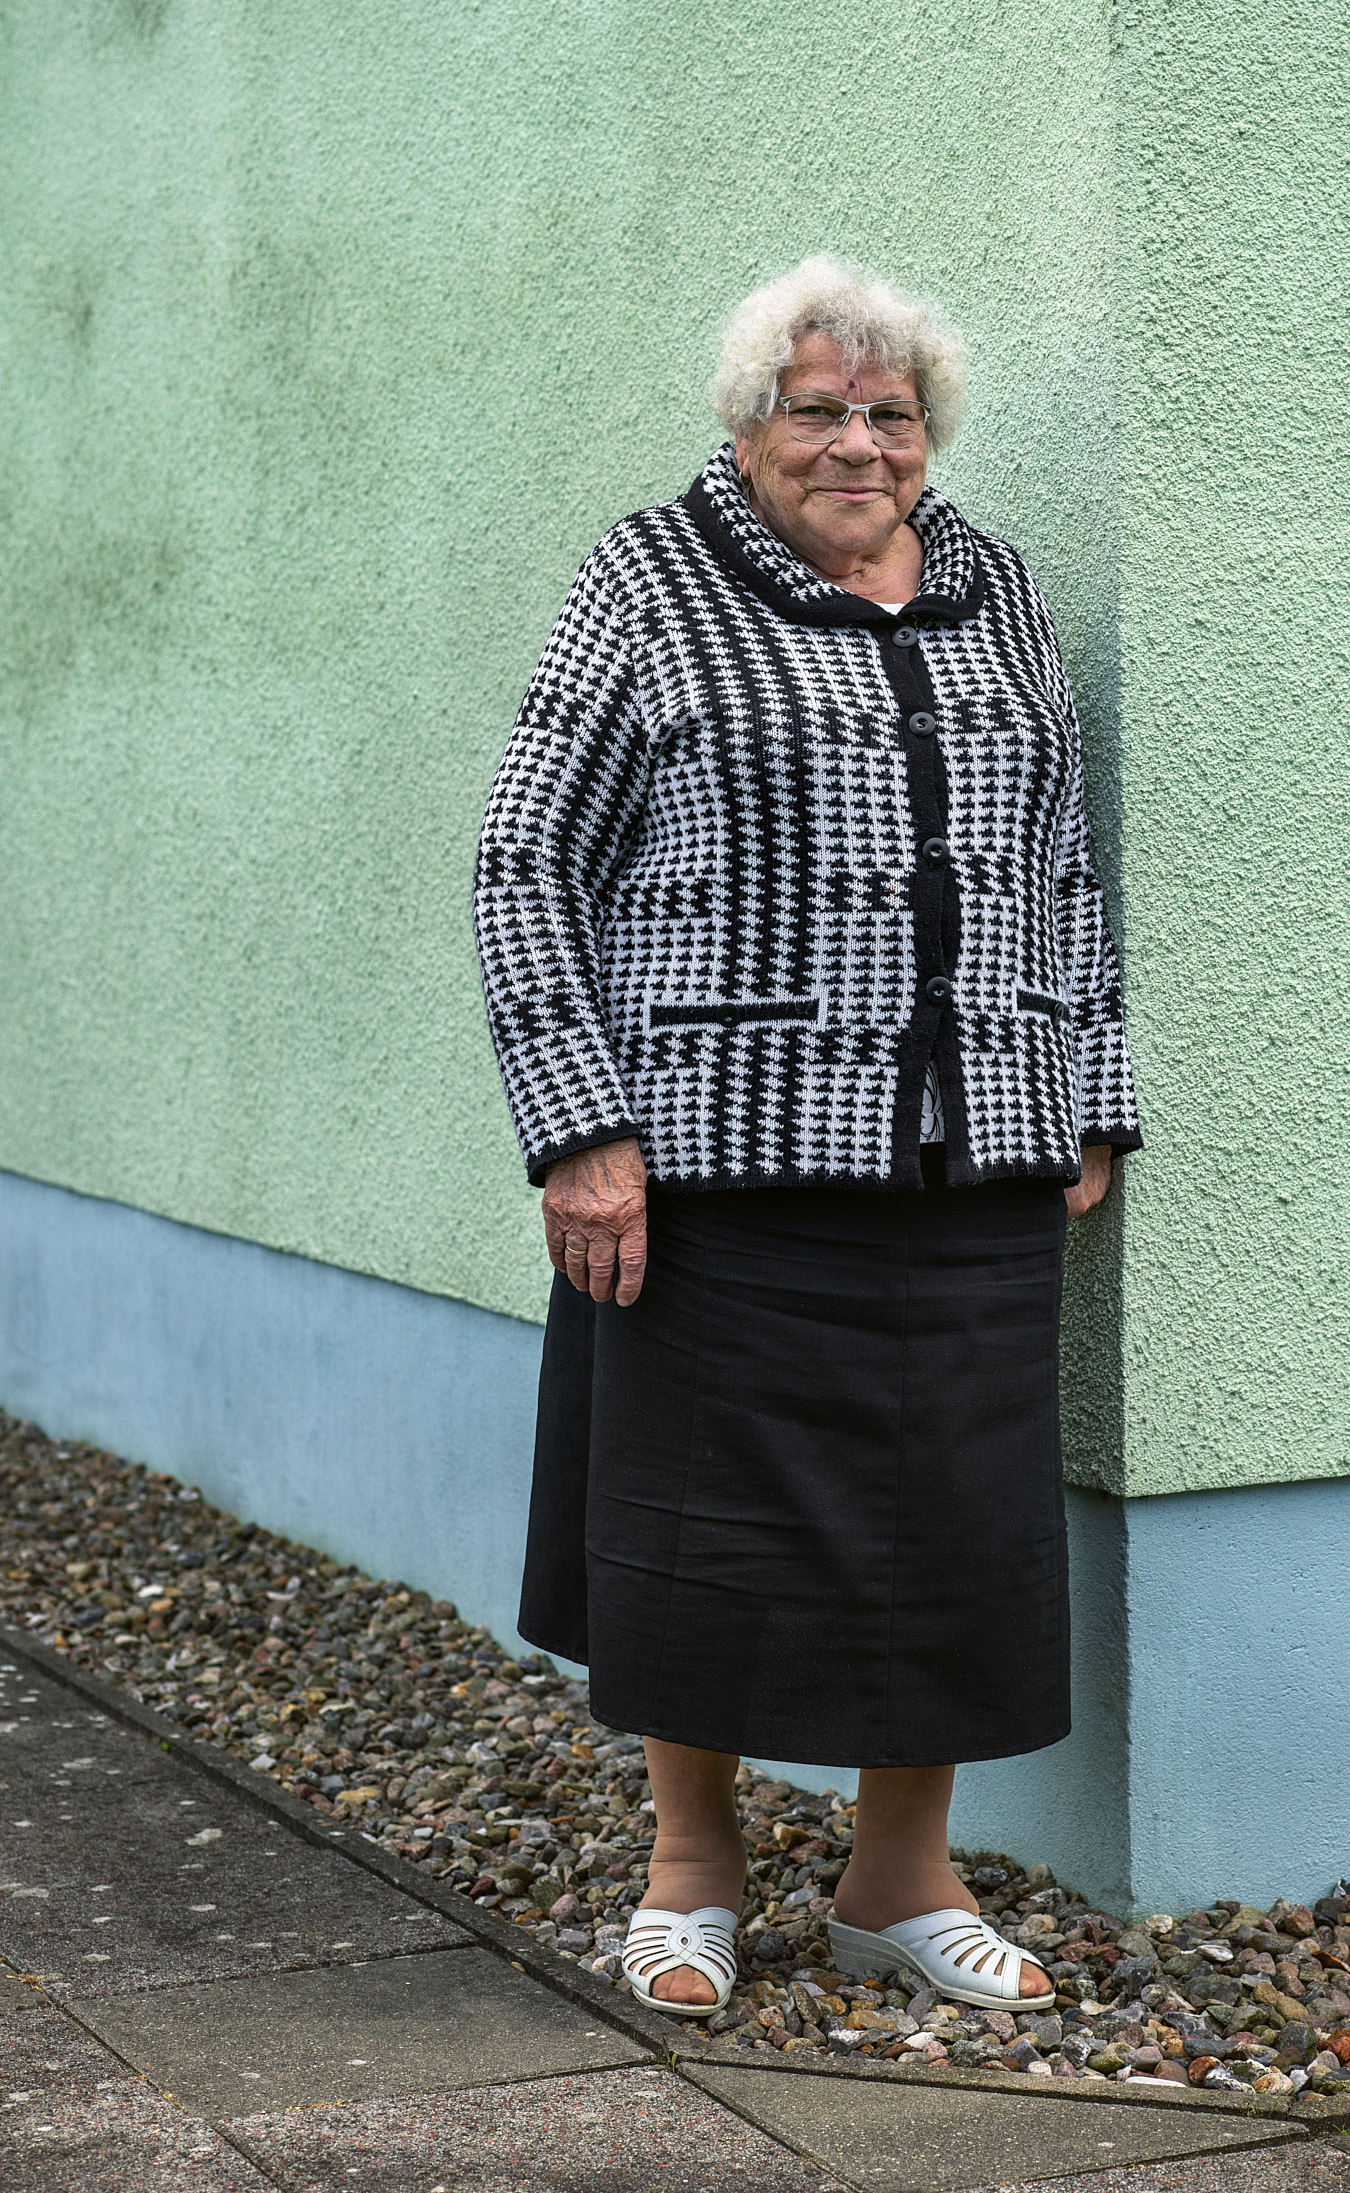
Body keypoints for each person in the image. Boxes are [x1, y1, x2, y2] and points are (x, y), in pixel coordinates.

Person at [474, 255, 1141, 2018]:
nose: (854, 439)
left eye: (887, 411)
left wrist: (1090, 1088)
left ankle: (895, 1881)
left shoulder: (995, 587)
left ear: (927, 434)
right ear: (747, 424)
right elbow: (523, 859)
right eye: (814, 406)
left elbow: (1063, 861)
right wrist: (579, 1129)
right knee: (700, 1524)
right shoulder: (647, 577)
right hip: (712, 1169)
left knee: (958, 1528)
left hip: (974, 1152)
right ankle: (690, 1869)